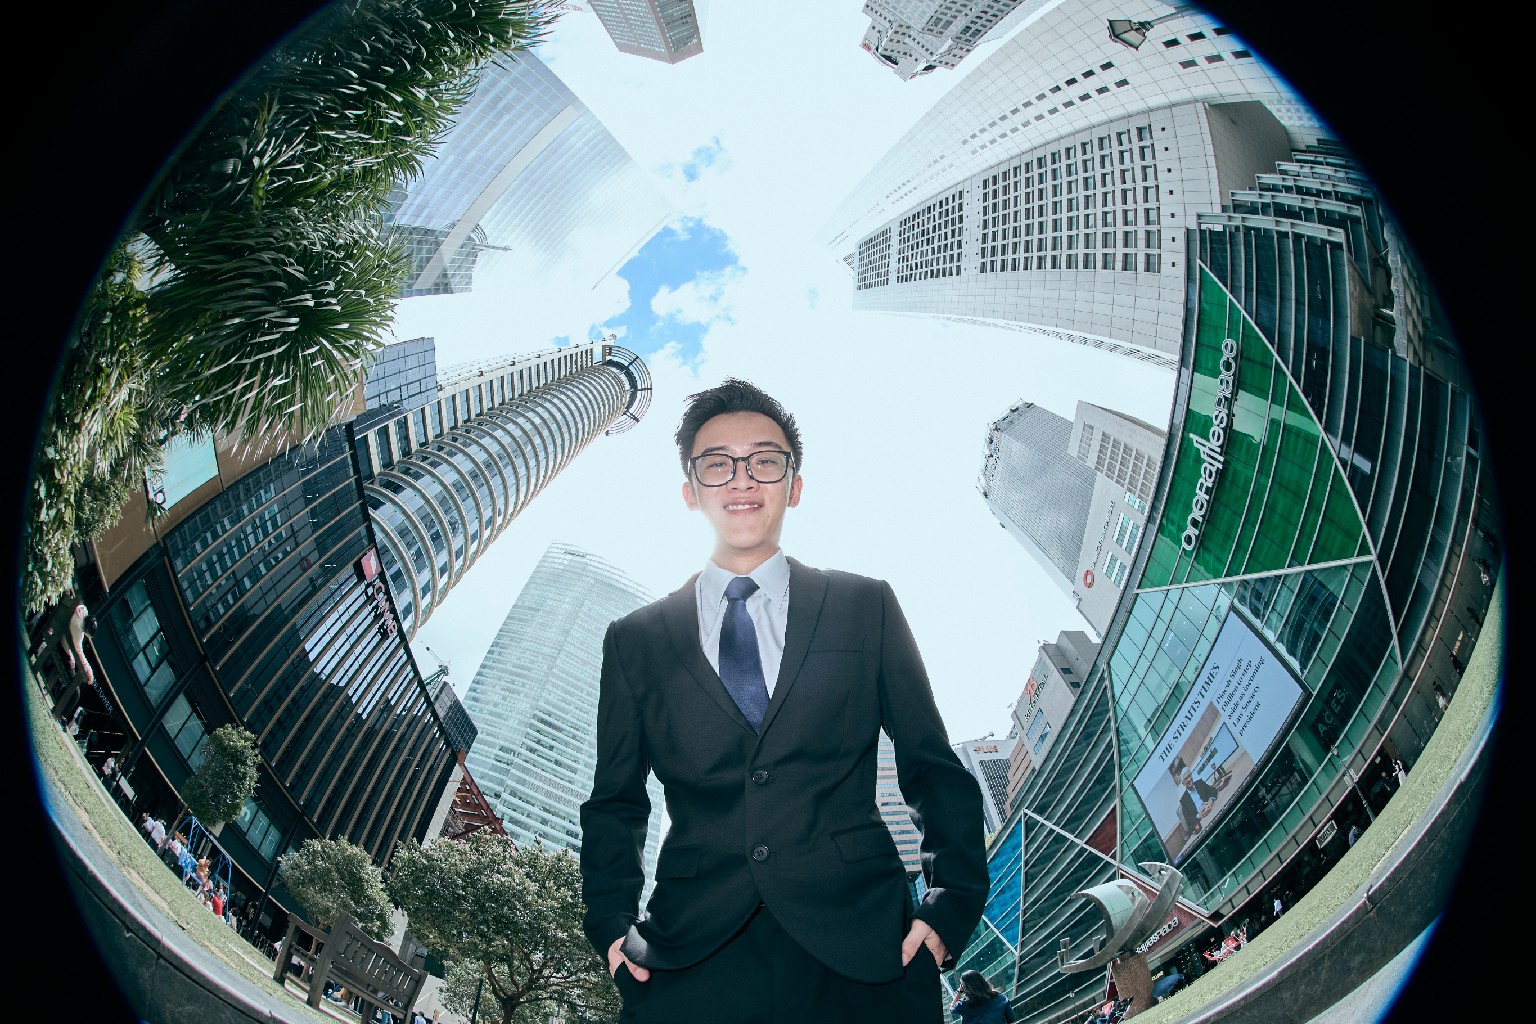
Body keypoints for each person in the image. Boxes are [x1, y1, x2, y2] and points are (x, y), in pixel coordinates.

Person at [580, 380, 989, 1023]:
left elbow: (932, 767)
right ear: (690, 492)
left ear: (793, 485)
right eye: (717, 464)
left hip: (865, 948)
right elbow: (616, 804)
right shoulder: (634, 640)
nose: (742, 479)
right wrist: (609, 925)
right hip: (688, 958)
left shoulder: (865, 605)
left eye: (764, 461)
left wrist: (951, 902)